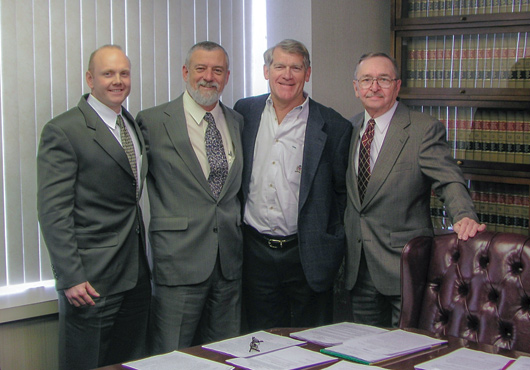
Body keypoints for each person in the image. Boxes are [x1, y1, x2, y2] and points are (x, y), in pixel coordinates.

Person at [344, 52, 486, 328]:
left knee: (403, 355)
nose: (374, 87)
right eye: (367, 79)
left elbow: (448, 180)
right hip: (358, 269)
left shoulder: (423, 129)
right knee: (362, 353)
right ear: (356, 87)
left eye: (383, 79)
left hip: (403, 267)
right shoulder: (348, 129)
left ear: (397, 86)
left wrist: (463, 215)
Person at [37, 45, 150, 370]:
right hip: (90, 281)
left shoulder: (129, 122)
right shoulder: (64, 131)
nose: (118, 81)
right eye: (108, 73)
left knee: (130, 363)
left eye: (124, 73)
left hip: (136, 276)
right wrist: (70, 276)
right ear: (90, 78)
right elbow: (53, 211)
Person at [234, 39, 352, 331]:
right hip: (255, 252)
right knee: (259, 341)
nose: (287, 74)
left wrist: (330, 241)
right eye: (280, 66)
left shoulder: (334, 126)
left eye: (296, 67)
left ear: (307, 73)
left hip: (307, 254)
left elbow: (341, 194)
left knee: (311, 341)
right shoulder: (244, 113)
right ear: (266, 71)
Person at [136, 41, 243, 353]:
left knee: (226, 354)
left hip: (229, 262)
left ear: (226, 77)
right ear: (185, 72)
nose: (208, 77)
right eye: (201, 68)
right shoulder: (153, 121)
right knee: (172, 355)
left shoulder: (237, 121)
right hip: (178, 263)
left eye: (217, 70)